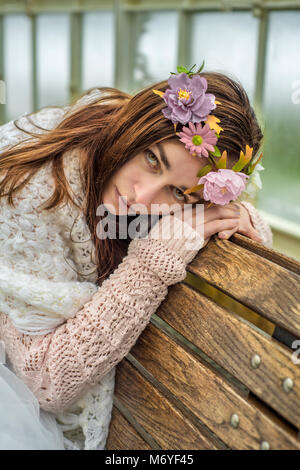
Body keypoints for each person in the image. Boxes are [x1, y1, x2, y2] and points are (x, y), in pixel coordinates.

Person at [0, 65, 272, 450]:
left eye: (179, 194)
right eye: (152, 159)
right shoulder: (32, 189)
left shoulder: (124, 174)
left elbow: (241, 225)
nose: (143, 199)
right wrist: (155, 260)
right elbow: (44, 383)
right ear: (137, 128)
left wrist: (239, 215)